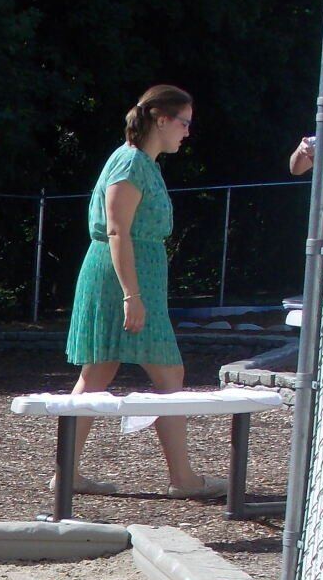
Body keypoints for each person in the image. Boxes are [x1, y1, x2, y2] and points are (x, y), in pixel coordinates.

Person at [63, 83, 221, 499]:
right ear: (161, 119)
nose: (187, 132)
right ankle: (183, 479)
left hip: (136, 278)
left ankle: (68, 475)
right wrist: (131, 295)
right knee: (164, 372)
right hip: (120, 280)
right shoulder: (130, 163)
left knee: (99, 373)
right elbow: (117, 230)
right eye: (183, 122)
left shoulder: (144, 163)